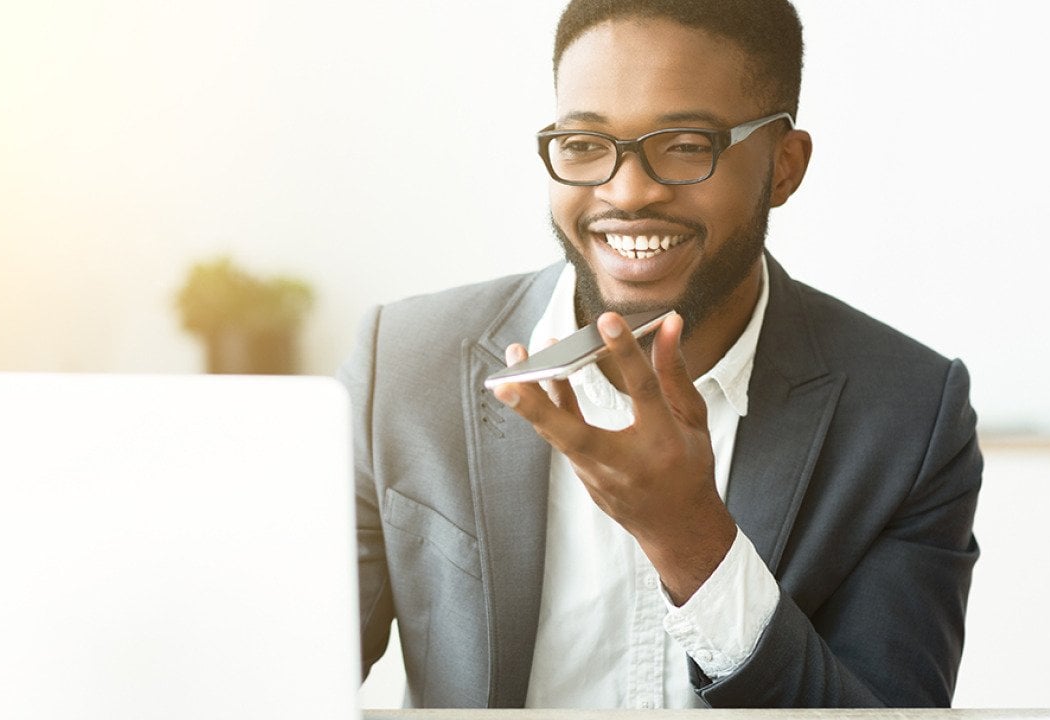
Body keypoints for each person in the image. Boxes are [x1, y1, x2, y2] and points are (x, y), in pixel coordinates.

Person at [338, 0, 980, 709]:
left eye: (684, 144)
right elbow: (276, 667)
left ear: (783, 167)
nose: (627, 192)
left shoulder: (909, 417)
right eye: (584, 145)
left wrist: (693, 543)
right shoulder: (402, 366)